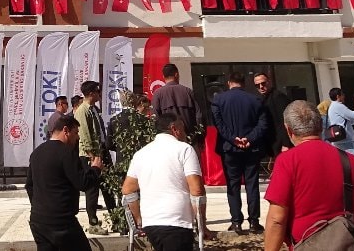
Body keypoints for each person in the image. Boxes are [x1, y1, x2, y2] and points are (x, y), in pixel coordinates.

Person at [263, 101, 354, 251]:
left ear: (288, 130)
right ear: (321, 126)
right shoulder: (350, 160)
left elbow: (277, 220)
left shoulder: (287, 162)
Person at [122, 113, 214, 251]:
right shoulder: (184, 149)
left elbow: (128, 189)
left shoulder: (141, 154)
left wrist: (139, 220)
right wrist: (202, 224)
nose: (185, 132)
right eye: (182, 128)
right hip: (177, 221)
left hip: (151, 224)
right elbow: (197, 190)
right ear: (174, 129)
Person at [25, 114, 104, 251]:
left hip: (38, 221)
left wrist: (41, 207)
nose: (77, 138)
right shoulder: (67, 153)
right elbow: (83, 183)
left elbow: (29, 186)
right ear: (66, 130)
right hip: (62, 223)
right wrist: (95, 169)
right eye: (76, 133)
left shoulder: (37, 153)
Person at [211, 71, 269, 235]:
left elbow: (218, 124)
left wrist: (232, 139)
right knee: (252, 184)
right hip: (251, 147)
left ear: (229, 83)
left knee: (233, 185)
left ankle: (236, 221)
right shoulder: (255, 100)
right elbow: (263, 124)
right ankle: (254, 221)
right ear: (244, 83)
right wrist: (250, 138)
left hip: (229, 148)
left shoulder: (218, 100)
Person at [73, 80, 114, 231]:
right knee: (93, 188)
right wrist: (93, 157)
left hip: (101, 151)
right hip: (90, 155)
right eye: (97, 91)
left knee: (108, 186)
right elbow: (84, 136)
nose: (99, 94)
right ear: (91, 93)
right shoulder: (82, 111)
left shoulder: (94, 109)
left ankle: (116, 218)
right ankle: (93, 222)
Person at [152, 64, 203, 142]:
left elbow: (155, 118)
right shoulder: (188, 91)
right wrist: (199, 137)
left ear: (163, 76)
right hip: (189, 138)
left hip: (168, 140)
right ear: (176, 74)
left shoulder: (157, 94)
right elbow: (199, 116)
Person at [254, 72, 293, 157]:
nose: (261, 87)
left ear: (269, 82)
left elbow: (285, 121)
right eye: (257, 85)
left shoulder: (278, 97)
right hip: (273, 143)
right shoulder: (263, 99)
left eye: (263, 83)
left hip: (281, 144)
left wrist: (286, 144)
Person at [327, 87, 354, 165]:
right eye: (342, 94)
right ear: (338, 96)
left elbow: (350, 121)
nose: (344, 96)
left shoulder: (332, 106)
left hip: (339, 140)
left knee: (343, 165)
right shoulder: (338, 106)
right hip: (346, 141)